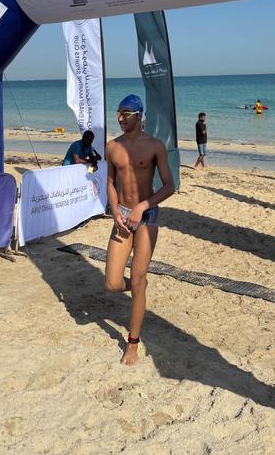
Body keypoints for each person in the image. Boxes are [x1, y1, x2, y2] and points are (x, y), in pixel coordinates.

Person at [105, 94, 175, 366]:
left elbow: (169, 186)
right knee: (113, 283)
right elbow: (110, 182)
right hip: (122, 215)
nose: (121, 118)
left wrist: (143, 205)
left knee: (137, 279)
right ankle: (139, 289)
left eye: (126, 113)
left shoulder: (155, 146)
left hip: (147, 215)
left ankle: (132, 344)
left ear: (139, 116)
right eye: (119, 113)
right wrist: (115, 210)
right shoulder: (113, 147)